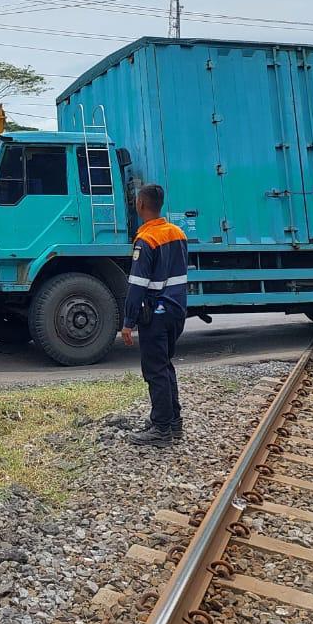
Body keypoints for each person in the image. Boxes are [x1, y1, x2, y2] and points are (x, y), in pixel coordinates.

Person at [120, 184, 188, 446]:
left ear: (140, 204)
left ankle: (161, 429)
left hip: (155, 314)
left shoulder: (146, 240)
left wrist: (128, 322)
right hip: (176, 310)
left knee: (155, 370)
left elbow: (137, 285)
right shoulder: (177, 233)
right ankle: (172, 421)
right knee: (166, 365)